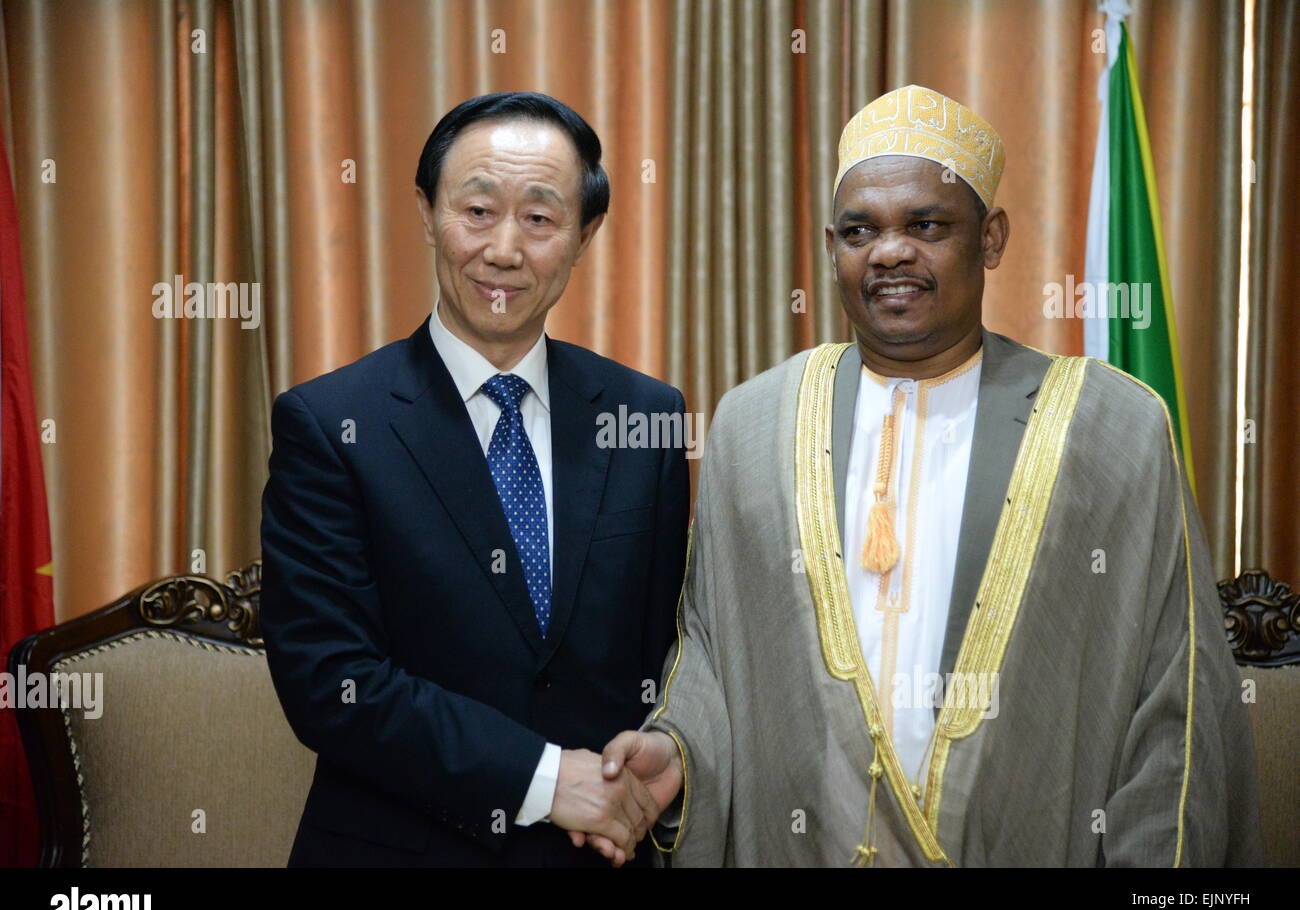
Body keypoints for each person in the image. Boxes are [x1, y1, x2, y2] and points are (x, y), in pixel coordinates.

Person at [592, 85, 1264, 866]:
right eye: (860, 230)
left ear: (992, 238)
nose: (889, 252)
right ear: (831, 246)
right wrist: (678, 754)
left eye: (927, 225)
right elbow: (711, 652)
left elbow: (1173, 701)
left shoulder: (1112, 426)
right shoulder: (751, 424)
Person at [261, 91, 688, 867]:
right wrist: (548, 776)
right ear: (427, 213)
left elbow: (669, 649)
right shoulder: (330, 424)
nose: (503, 250)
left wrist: (668, 748)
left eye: (539, 218)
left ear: (585, 235)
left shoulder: (646, 415)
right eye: (478, 210)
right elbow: (331, 680)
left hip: (601, 851)